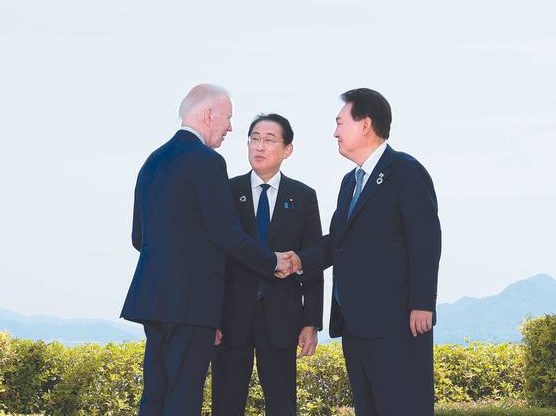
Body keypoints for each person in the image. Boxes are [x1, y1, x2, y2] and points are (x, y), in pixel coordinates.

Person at [120, 84, 293, 415]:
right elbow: (226, 234)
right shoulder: (208, 162)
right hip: (191, 302)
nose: (230, 126)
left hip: (153, 299)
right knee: (183, 397)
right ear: (209, 113)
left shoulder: (152, 161)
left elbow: (139, 237)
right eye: (228, 117)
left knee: (155, 393)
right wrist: (271, 261)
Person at [283, 88, 441, 416]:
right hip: (356, 325)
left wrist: (422, 304)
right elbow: (338, 241)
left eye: (340, 123)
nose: (335, 131)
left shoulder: (405, 171)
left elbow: (425, 240)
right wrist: (300, 260)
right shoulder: (349, 182)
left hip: (397, 323)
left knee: (402, 406)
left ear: (365, 125)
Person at [211, 114, 324, 416]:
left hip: (282, 317)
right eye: (254, 138)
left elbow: (312, 261)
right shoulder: (227, 191)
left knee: (283, 404)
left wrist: (311, 321)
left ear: (288, 149)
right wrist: (211, 317)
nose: (259, 146)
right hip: (230, 317)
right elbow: (215, 258)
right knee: (225, 402)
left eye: (269, 140)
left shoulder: (303, 196)